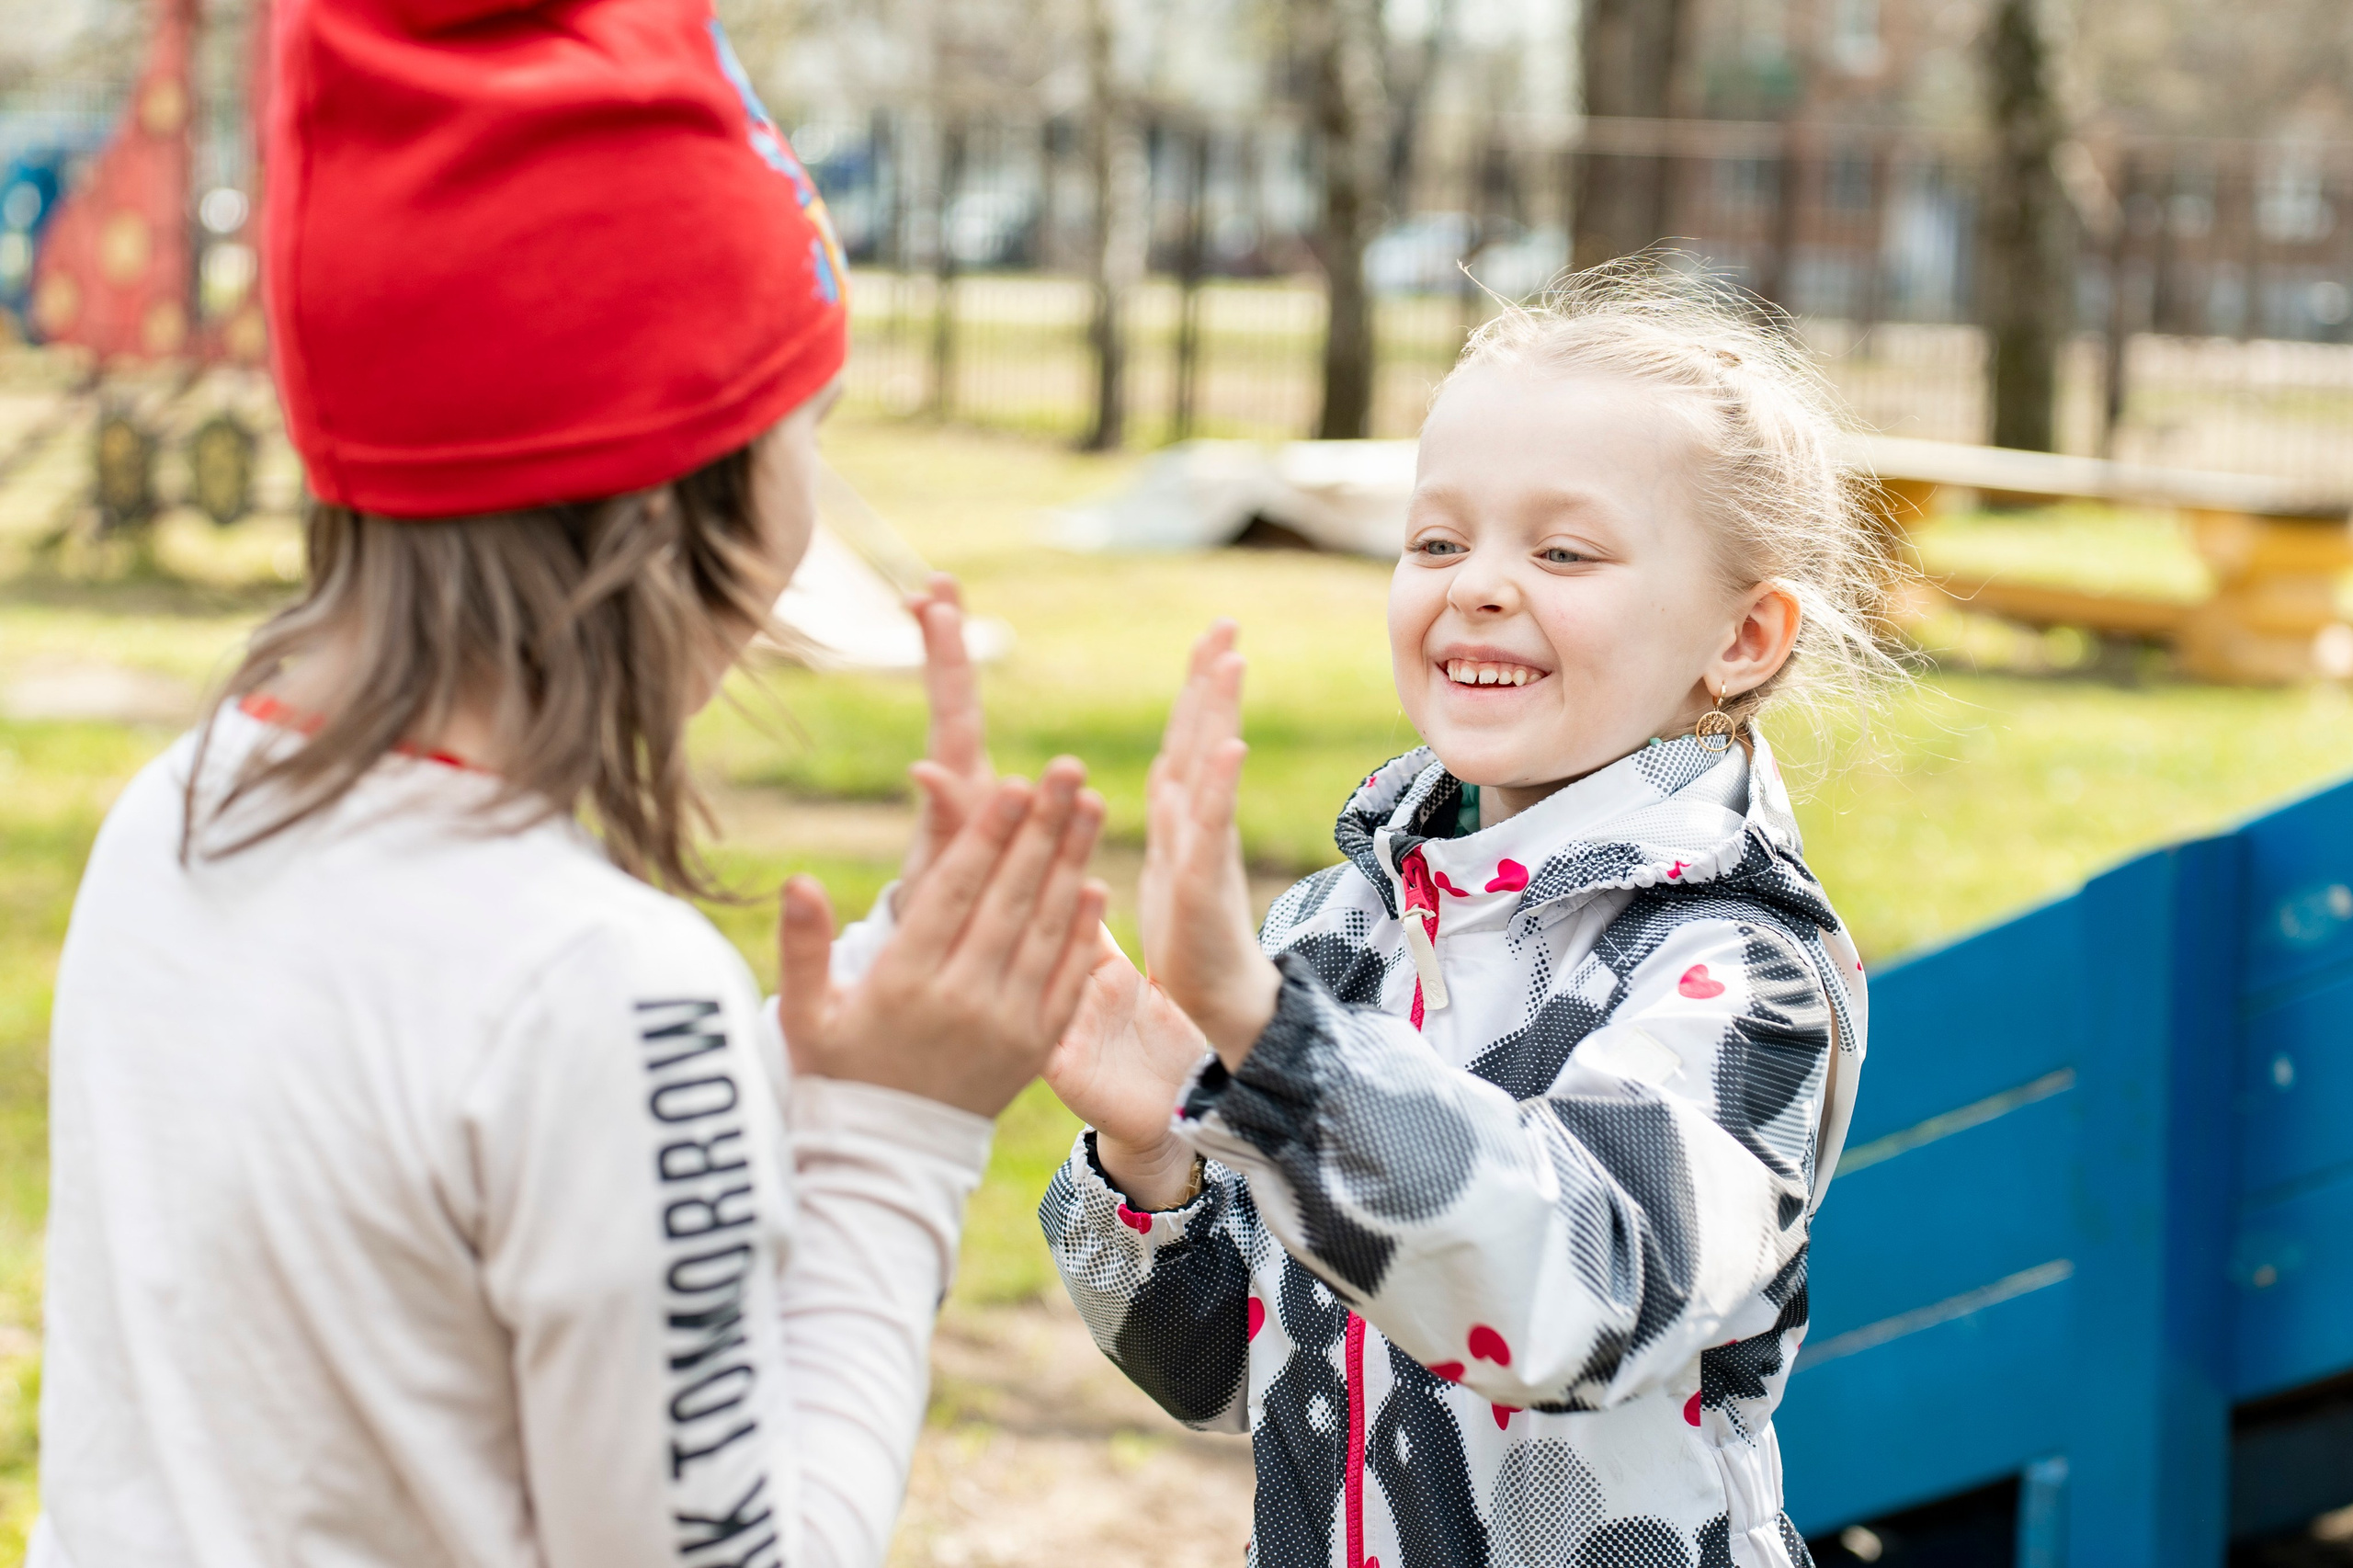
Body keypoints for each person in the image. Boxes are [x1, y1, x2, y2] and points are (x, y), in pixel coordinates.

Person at [32, 1, 1106, 1563]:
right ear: (690, 487)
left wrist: (768, 1092)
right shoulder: (602, 989)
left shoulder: (183, 816)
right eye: (810, 421)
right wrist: (894, 1133)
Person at [1040, 264, 1893, 1568]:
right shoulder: (1339, 931)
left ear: (1742, 636)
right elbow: (1224, 1366)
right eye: (1438, 540)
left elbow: (1579, 1293)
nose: (1479, 584)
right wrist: (1148, 1160)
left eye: (1563, 550)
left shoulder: (1739, 970)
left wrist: (1278, 1053)